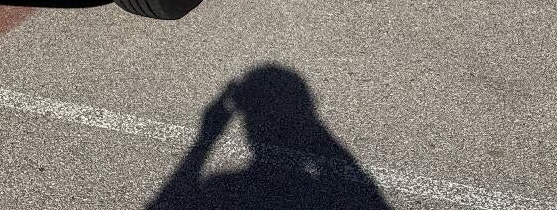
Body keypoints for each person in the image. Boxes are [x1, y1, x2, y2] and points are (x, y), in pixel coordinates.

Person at [147, 65, 391, 209]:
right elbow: (369, 194)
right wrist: (311, 125)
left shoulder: (220, 186)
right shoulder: (311, 187)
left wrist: (206, 138)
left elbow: (166, 201)